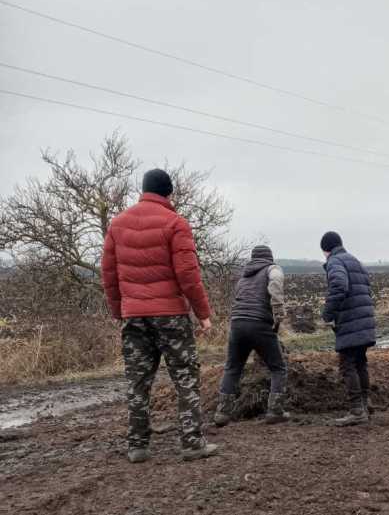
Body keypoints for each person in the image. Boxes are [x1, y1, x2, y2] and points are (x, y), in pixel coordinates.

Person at [101, 168, 219, 463]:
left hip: (134, 317)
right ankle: (192, 443)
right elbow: (188, 274)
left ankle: (138, 446)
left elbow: (109, 274)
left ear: (143, 190)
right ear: (169, 193)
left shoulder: (117, 225)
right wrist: (203, 313)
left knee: (137, 382)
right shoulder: (175, 223)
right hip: (171, 317)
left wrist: (120, 311)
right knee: (185, 379)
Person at [214, 245, 289, 426]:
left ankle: (223, 413)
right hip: (259, 324)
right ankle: (275, 411)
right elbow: (277, 282)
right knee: (278, 368)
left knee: (232, 367)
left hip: (237, 324)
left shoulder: (243, 277)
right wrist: (278, 313)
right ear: (270, 257)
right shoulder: (272, 269)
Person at [320, 231, 376, 426]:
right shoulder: (355, 261)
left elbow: (339, 286)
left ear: (326, 250)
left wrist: (328, 313)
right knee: (360, 362)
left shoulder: (335, 262)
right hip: (364, 320)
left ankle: (356, 411)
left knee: (347, 365)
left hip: (351, 322)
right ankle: (365, 402)